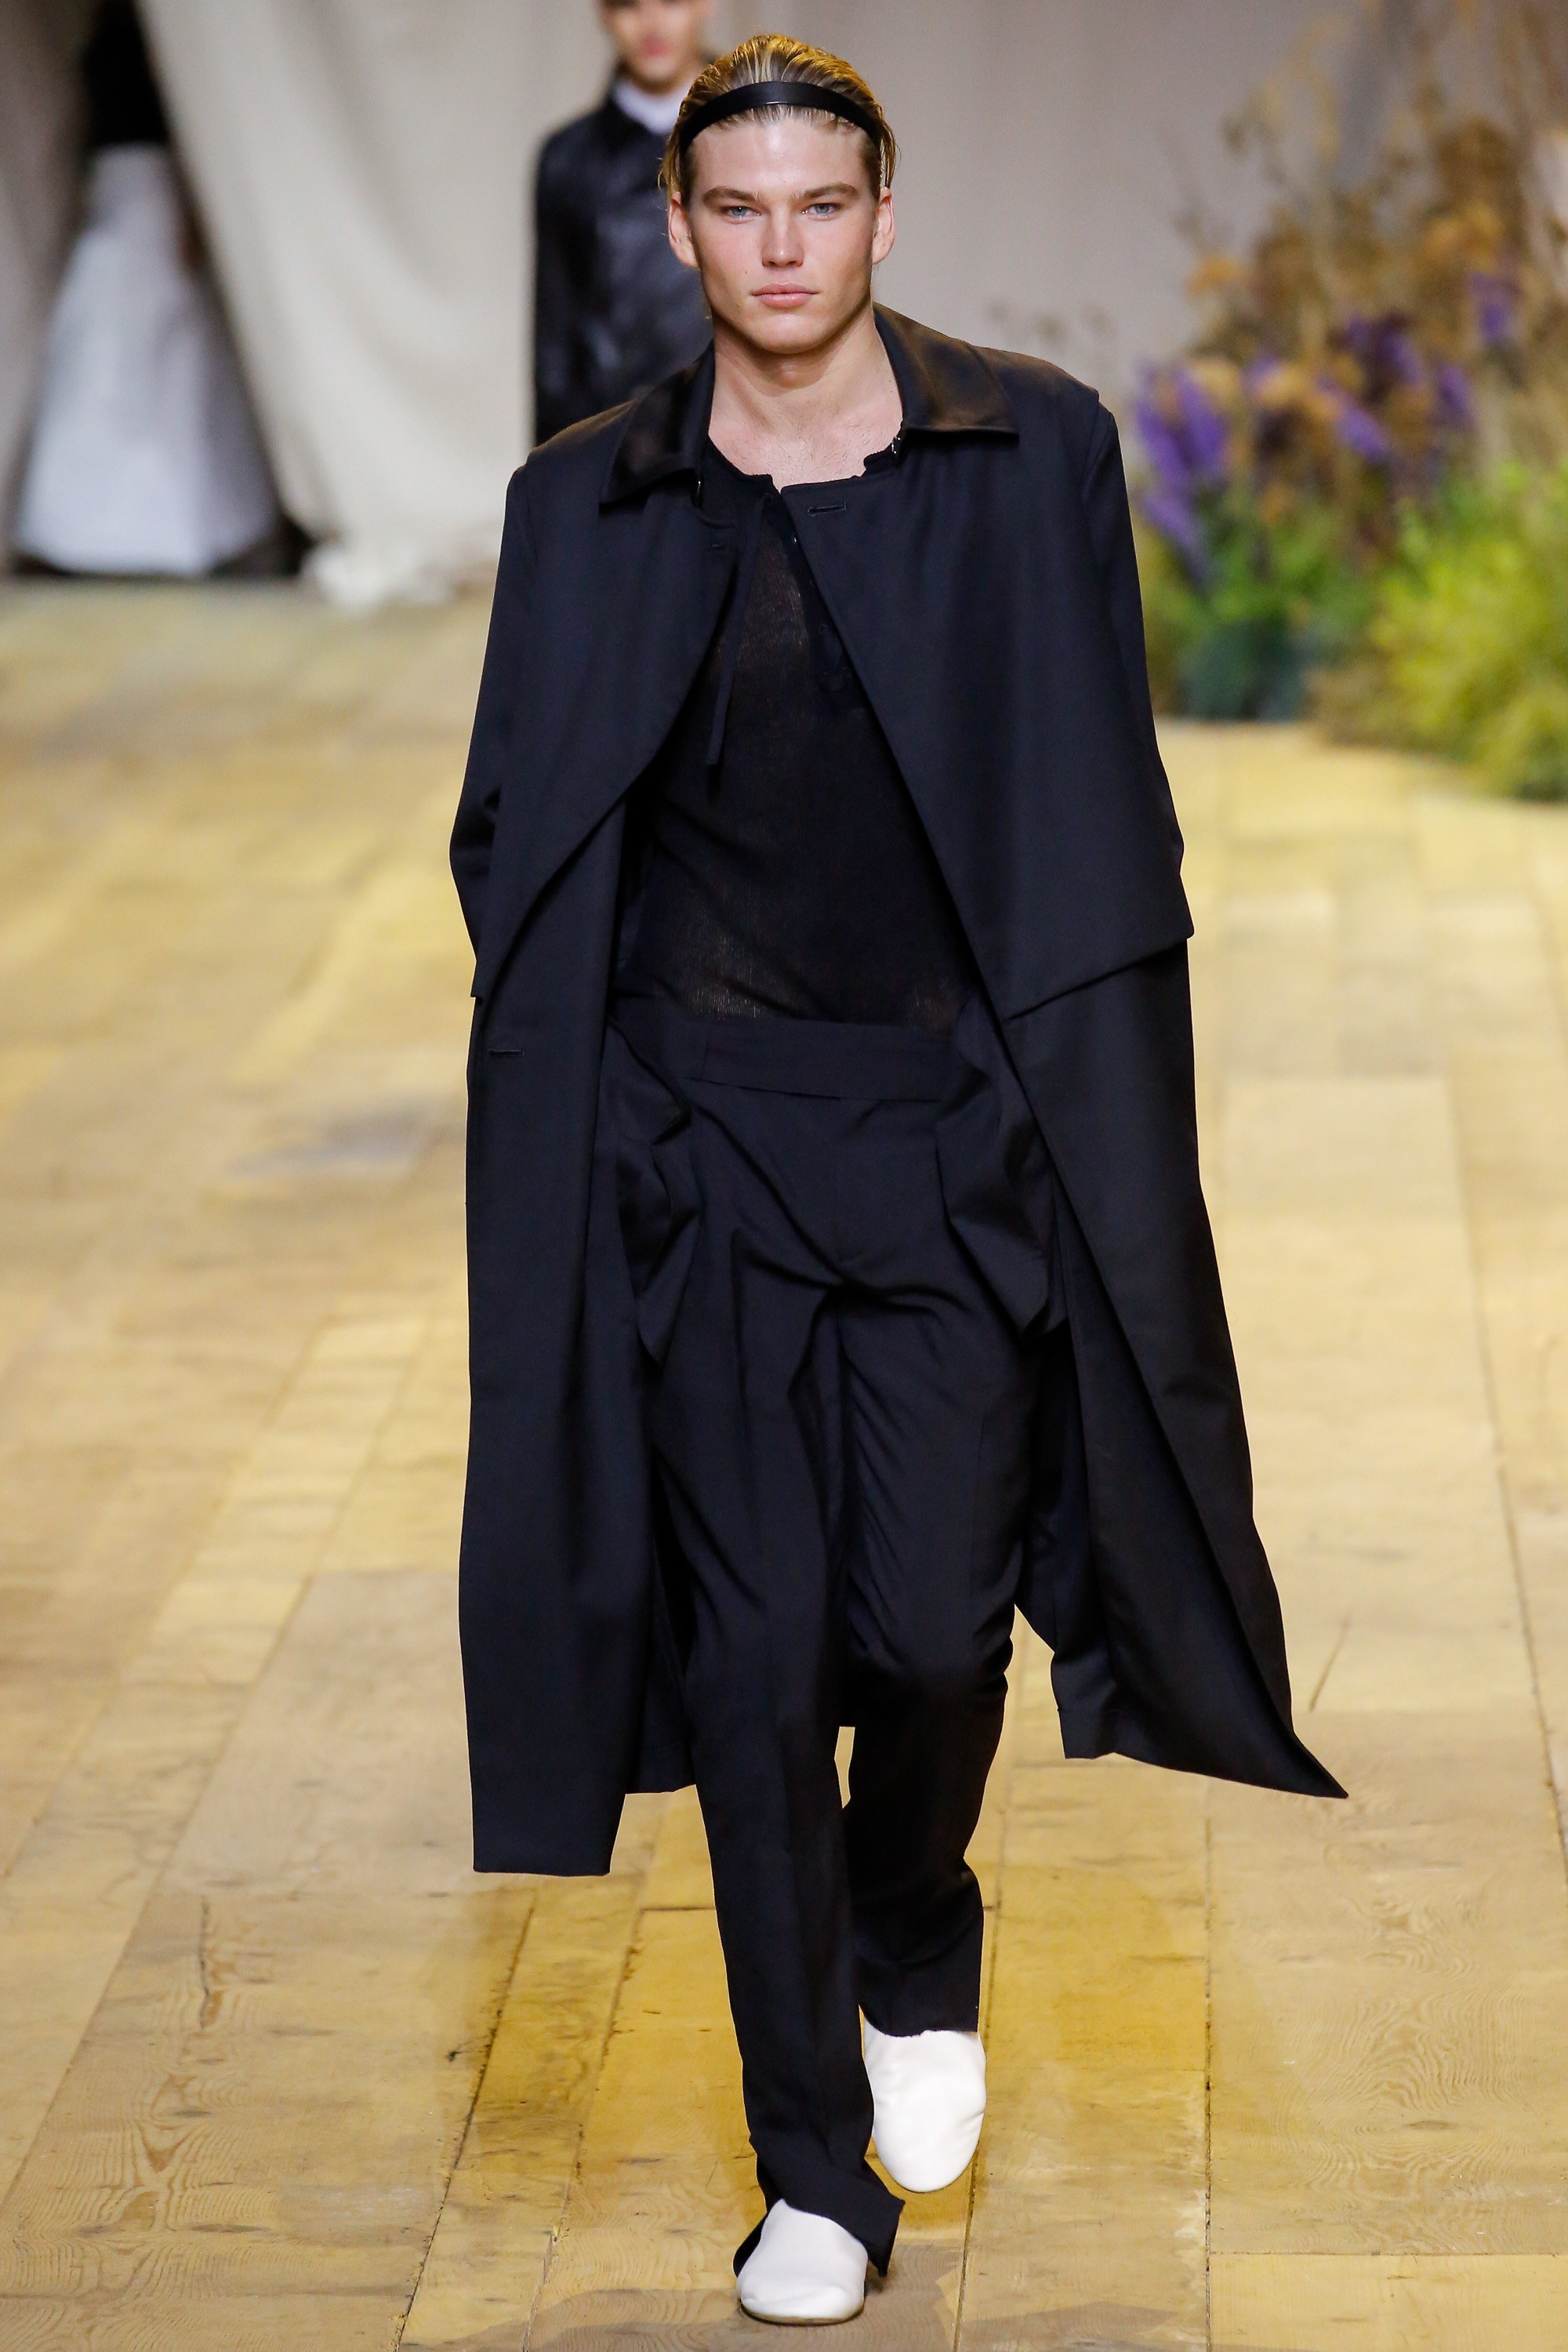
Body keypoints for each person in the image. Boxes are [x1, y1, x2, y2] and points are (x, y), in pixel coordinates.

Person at [455, 33, 1342, 2328]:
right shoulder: (583, 506)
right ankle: (807, 2166)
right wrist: (598, 1113)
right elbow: (514, 831)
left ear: (879, 212)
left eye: (819, 205)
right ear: (677, 226)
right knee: (753, 1659)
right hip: (702, 1157)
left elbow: (1091, 803)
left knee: (938, 1632)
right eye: (736, 209)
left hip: (951, 1140)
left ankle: (913, 1916)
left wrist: (1079, 1106)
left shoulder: (1028, 452)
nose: (779, 249)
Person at [13, 0, 276, 577]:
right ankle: (92, 533)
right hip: (114, 202)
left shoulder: (171, 61)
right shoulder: (99, 52)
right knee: (107, 366)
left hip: (153, 198)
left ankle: (171, 528)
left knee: (165, 366)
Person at [532, 0, 713, 444]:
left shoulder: (763, 135)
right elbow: (555, 348)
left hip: (749, 436)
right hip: (614, 446)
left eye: (671, 1)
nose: (652, 24)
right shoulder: (569, 161)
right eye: (628, 4)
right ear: (603, 11)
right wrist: (555, 472)